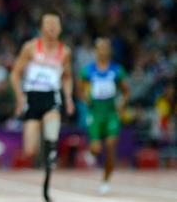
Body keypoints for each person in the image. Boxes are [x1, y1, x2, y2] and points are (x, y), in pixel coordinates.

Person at [10, 12, 75, 202]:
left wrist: (69, 98)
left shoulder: (65, 52)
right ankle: (47, 154)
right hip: (32, 97)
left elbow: (67, 76)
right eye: (48, 24)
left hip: (51, 98)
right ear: (41, 27)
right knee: (29, 150)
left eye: (56, 24)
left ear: (61, 29)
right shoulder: (30, 48)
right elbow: (14, 74)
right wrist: (19, 98)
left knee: (52, 133)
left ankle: (48, 171)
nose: (52, 27)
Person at [79, 37, 129, 195]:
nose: (103, 51)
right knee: (96, 148)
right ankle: (91, 152)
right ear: (95, 51)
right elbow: (80, 89)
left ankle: (105, 181)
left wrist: (121, 105)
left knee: (110, 147)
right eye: (100, 48)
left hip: (111, 114)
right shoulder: (88, 70)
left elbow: (126, 91)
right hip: (95, 114)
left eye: (106, 48)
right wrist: (86, 99)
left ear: (110, 51)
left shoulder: (117, 70)